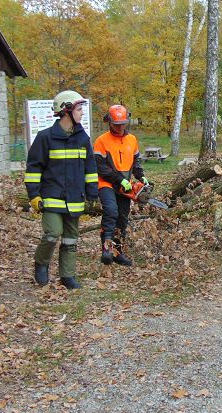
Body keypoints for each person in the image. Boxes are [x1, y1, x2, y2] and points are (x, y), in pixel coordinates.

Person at [24, 91, 98, 290]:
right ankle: (41, 264)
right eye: (79, 109)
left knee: (71, 238)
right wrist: (34, 195)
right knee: (53, 232)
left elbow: (90, 169)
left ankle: (67, 275)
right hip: (52, 198)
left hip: (74, 198)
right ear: (66, 111)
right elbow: (33, 169)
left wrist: (92, 194)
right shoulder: (45, 138)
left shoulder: (83, 139)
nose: (82, 113)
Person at [93, 105, 148, 267]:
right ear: (109, 122)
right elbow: (100, 167)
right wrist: (118, 179)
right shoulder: (101, 141)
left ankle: (117, 252)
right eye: (117, 124)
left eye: (123, 123)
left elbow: (136, 162)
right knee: (111, 211)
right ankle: (106, 249)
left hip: (125, 185)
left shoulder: (132, 139)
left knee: (122, 218)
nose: (120, 127)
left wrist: (141, 176)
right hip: (106, 183)